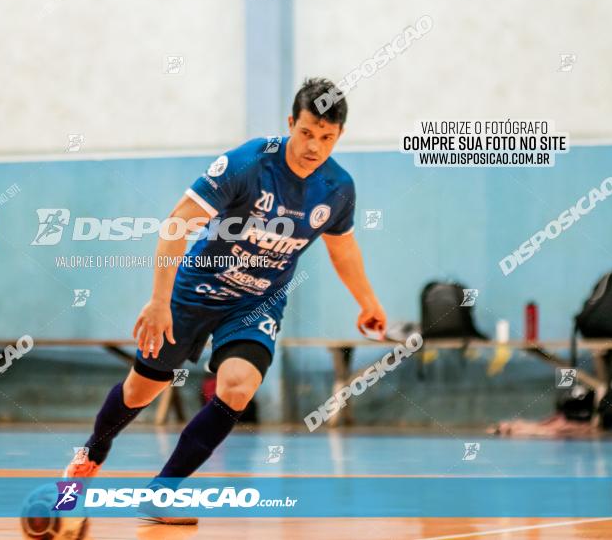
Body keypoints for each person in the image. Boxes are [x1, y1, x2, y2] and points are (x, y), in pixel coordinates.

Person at [64, 78, 387, 524]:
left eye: (327, 138)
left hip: (256, 304)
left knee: (237, 387)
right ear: (291, 123)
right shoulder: (247, 163)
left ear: (340, 136)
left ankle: (163, 491)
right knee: (141, 390)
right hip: (195, 292)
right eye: (307, 132)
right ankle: (90, 457)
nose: (314, 146)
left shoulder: (337, 188)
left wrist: (367, 301)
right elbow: (177, 223)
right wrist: (158, 301)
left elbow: (342, 247)